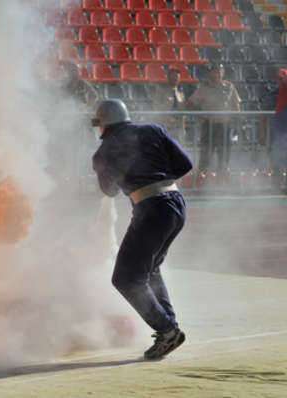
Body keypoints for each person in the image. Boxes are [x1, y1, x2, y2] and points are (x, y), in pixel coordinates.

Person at [91, 99, 193, 360]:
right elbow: (185, 165)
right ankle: (168, 328)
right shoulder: (153, 130)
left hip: (151, 210)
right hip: (176, 205)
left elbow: (109, 190)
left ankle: (167, 330)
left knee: (125, 278)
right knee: (151, 268)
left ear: (103, 124)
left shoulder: (104, 152)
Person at [186, 64, 241, 173]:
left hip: (225, 125)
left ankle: (222, 178)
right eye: (214, 71)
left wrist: (235, 119)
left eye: (219, 71)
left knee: (224, 154)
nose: (217, 74)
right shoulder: (204, 88)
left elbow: (236, 105)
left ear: (223, 72)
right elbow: (190, 103)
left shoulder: (229, 87)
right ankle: (201, 178)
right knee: (206, 154)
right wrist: (200, 114)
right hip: (209, 125)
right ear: (210, 73)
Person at [151, 67, 186, 142]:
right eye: (173, 76)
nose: (175, 79)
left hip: (177, 127)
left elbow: (182, 111)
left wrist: (183, 128)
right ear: (168, 77)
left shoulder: (180, 93)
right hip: (164, 126)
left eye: (177, 77)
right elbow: (156, 107)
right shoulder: (160, 91)